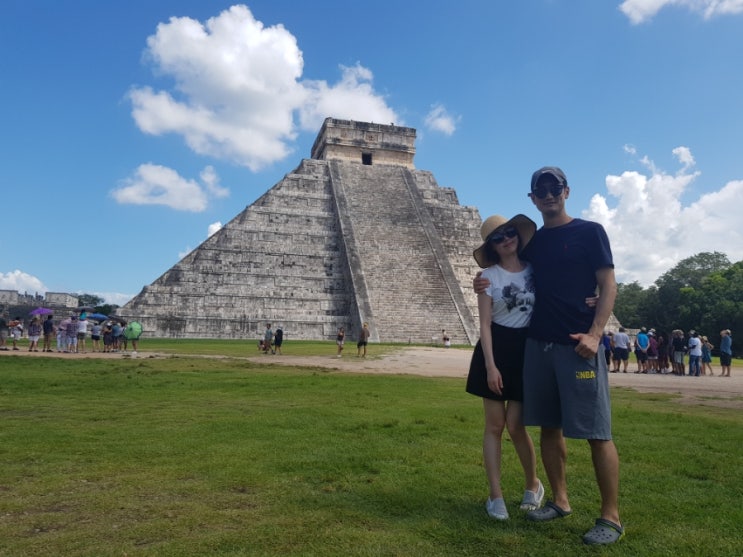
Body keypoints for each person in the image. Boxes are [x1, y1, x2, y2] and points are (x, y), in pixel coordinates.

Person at [474, 166, 622, 545]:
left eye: (554, 187)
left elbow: (608, 284)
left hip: (578, 344)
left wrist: (596, 333)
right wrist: (480, 281)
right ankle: (559, 500)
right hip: (537, 347)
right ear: (533, 199)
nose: (548, 194)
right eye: (541, 190)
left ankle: (610, 517)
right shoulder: (533, 245)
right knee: (549, 428)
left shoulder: (590, 231)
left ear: (566, 191)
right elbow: (510, 272)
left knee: (596, 433)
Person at [466, 213, 544, 521]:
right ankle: (495, 495)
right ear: (492, 246)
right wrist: (490, 366)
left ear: (518, 235)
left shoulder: (536, 269)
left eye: (509, 232)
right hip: (496, 348)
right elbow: (485, 324)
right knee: (494, 426)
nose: (506, 239)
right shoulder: (488, 277)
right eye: (498, 238)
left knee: (516, 425)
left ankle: (533, 483)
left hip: (526, 350)